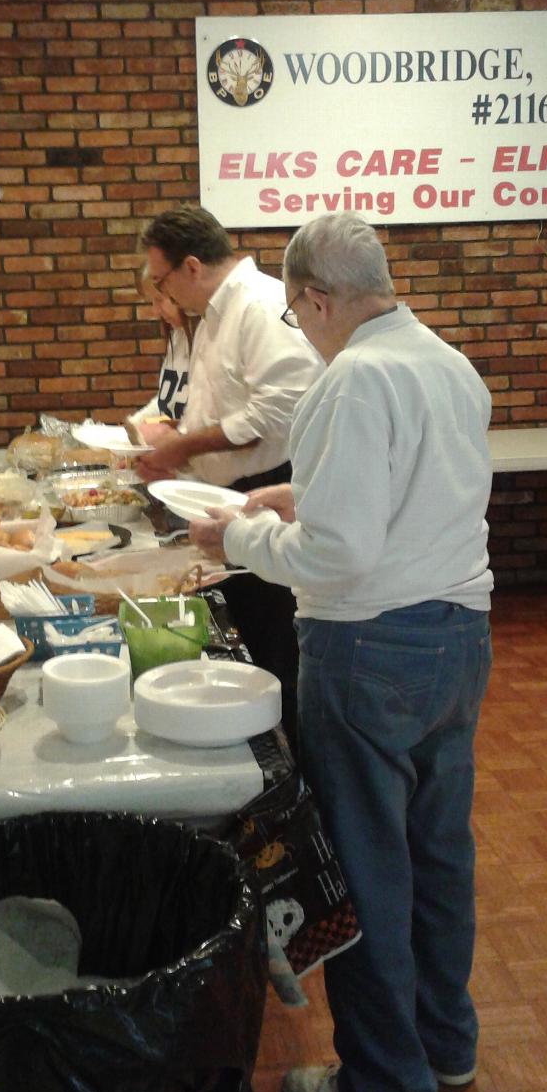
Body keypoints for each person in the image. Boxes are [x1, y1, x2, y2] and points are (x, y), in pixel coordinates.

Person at [189, 212, 493, 1092]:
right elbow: (408, 493)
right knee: (436, 858)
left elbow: (340, 557)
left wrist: (236, 534)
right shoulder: (444, 361)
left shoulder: (353, 379)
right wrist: (296, 492)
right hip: (456, 640)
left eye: (297, 314)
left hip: (368, 651)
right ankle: (445, 1050)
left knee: (363, 870)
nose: (301, 331)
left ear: (317, 298)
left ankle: (380, 1091)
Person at [135, 205, 320, 752]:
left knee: (276, 642)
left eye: (161, 279)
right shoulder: (215, 312)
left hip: (270, 488)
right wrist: (175, 444)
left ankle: (293, 769)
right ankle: (267, 750)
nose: (163, 294)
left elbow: (278, 412)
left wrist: (183, 446)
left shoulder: (258, 304)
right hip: (232, 489)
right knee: (255, 639)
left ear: (192, 266)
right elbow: (212, 406)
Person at [128, 264, 195, 440]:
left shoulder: (205, 339)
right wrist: (133, 425)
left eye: (159, 300)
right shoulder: (177, 336)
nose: (155, 311)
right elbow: (166, 401)